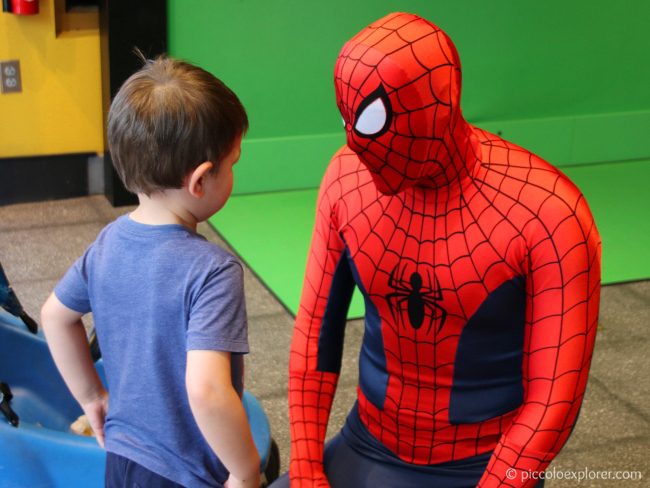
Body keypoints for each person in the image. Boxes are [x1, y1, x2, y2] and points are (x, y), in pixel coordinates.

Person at [280, 12, 601, 488]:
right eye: (349, 117)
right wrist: (307, 473)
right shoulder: (346, 181)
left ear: (442, 101)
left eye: (372, 119)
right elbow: (313, 338)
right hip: (366, 440)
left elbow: (555, 400)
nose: (358, 142)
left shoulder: (548, 214)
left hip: (485, 464)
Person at [41, 55, 260, 488]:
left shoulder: (105, 244)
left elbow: (55, 316)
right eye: (233, 163)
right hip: (186, 475)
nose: (234, 172)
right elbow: (207, 391)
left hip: (122, 463)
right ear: (200, 181)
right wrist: (244, 470)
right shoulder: (213, 273)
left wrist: (92, 399)